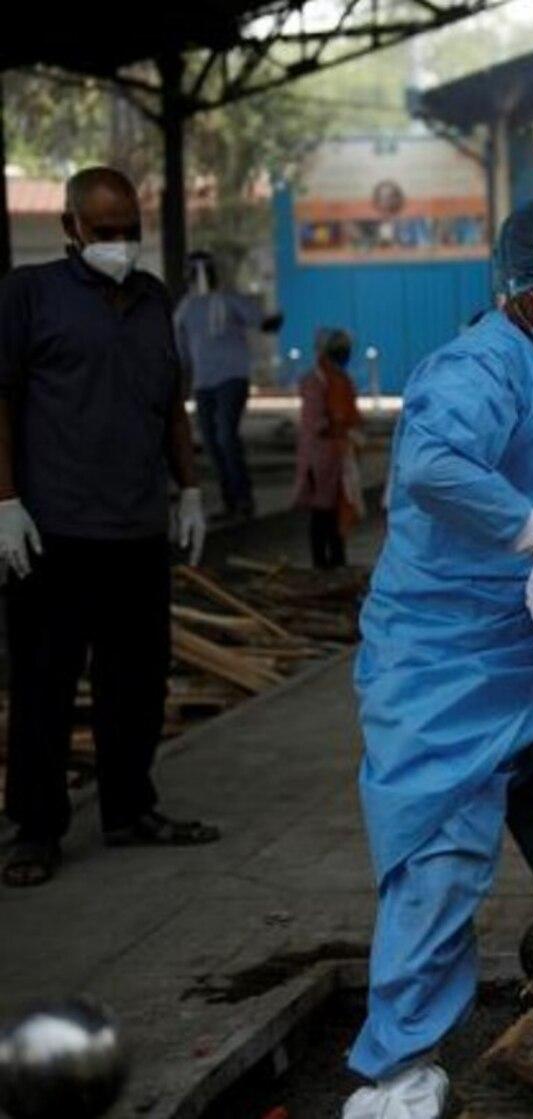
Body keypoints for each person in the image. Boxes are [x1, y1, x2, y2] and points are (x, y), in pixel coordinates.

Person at [343, 198, 533, 1119]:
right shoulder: (476, 366)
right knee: (439, 855)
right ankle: (396, 1068)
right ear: (519, 289)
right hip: (449, 654)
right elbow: (436, 467)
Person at [0, 167, 214, 888]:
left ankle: (130, 806)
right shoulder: (29, 296)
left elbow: (171, 404)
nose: (120, 244)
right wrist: (5, 501)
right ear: (71, 229)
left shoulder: (153, 299)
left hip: (136, 527)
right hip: (52, 530)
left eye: (131, 231)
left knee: (138, 679)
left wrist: (188, 490)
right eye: (105, 232)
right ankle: (35, 827)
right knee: (44, 683)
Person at [175, 250, 283, 522]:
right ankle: (231, 501)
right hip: (204, 383)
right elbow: (182, 353)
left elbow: (261, 321)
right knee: (212, 443)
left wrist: (272, 319)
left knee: (225, 436)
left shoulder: (228, 301)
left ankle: (243, 499)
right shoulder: (185, 310)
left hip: (231, 379)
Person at [293, 327, 364, 570]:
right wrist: (342, 430)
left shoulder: (341, 380)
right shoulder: (316, 381)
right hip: (320, 459)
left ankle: (337, 561)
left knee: (337, 513)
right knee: (322, 513)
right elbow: (316, 424)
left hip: (340, 458)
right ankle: (321, 565)